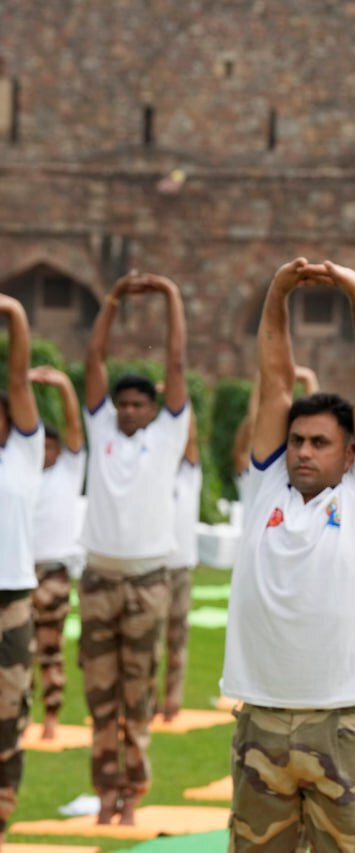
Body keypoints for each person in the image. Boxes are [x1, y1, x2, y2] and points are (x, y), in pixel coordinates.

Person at [221, 258, 355, 851]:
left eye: (320, 443)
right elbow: (274, 381)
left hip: (342, 720)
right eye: (296, 440)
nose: (302, 452)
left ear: (349, 454)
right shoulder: (267, 486)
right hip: (262, 716)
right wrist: (278, 290)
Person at [80, 271, 190, 825]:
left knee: (137, 696)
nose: (126, 410)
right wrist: (114, 298)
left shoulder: (167, 436)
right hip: (99, 580)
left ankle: (133, 795)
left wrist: (169, 295)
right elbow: (93, 359)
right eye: (121, 402)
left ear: (152, 410)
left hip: (148, 583)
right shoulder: (99, 429)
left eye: (136, 404)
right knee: (101, 699)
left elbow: (174, 364)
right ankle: (104, 794)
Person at [0, 295, 43, 845]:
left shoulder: (22, 457)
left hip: (11, 601)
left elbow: (17, 384)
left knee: (7, 720)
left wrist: (14, 314)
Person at [29, 365, 84, 741]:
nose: (44, 452)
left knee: (49, 649)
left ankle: (51, 715)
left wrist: (64, 387)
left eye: (50, 446)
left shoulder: (69, 470)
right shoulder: (19, 474)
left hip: (52, 573)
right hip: (17, 574)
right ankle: (18, 716)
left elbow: (74, 427)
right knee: (14, 654)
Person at [160, 414, 200, 722]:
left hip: (180, 567)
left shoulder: (189, 474)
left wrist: (183, 408)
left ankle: (173, 696)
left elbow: (191, 440)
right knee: (148, 639)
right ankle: (146, 699)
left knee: (177, 636)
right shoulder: (151, 474)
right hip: (153, 567)